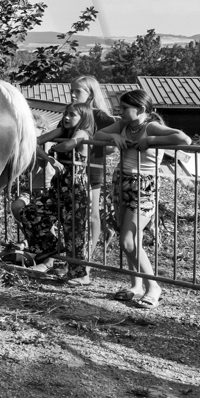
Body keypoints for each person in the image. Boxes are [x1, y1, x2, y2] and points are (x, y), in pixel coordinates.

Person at [84, 87, 190, 308]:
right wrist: (113, 135)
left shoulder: (150, 126)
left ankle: (154, 287)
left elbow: (184, 139)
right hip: (121, 182)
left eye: (124, 108)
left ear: (140, 109)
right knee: (133, 240)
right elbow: (97, 136)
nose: (119, 111)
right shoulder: (124, 125)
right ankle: (136, 286)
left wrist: (150, 140)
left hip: (144, 186)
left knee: (127, 240)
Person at [16, 101, 95, 280]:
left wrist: (53, 148)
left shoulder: (83, 132)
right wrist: (49, 159)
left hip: (76, 188)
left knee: (74, 231)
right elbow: (34, 142)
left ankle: (81, 275)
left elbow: (67, 146)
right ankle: (52, 247)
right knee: (31, 212)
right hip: (58, 186)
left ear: (83, 118)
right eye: (66, 113)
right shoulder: (62, 130)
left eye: (72, 114)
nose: (67, 117)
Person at [67, 75, 115, 282]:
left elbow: (113, 145)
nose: (72, 95)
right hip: (73, 169)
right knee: (74, 216)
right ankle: (74, 262)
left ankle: (85, 264)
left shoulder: (101, 116)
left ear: (90, 94)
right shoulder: (74, 112)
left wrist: (96, 149)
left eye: (77, 91)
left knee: (91, 214)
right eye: (72, 90)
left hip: (92, 170)